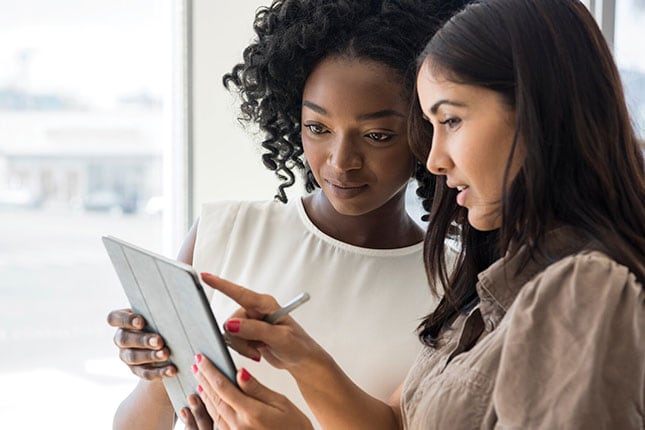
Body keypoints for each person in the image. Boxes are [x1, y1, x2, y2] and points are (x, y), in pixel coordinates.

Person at [190, 0, 645, 428]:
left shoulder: (583, 290)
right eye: (429, 126)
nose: (434, 160)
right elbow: (396, 422)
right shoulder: (500, 275)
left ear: (538, 113)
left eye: (450, 121)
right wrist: (301, 356)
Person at [106, 0, 470, 428]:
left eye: (376, 135)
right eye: (318, 128)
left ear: (425, 131)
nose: (341, 161)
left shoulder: (457, 283)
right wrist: (159, 370)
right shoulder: (226, 233)